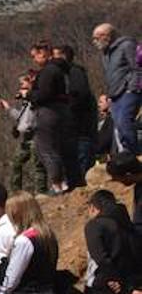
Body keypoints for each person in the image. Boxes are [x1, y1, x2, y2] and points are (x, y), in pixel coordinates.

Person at [25, 41, 71, 194]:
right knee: (55, 148)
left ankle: (57, 184)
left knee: (46, 149)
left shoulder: (49, 71)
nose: (34, 60)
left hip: (48, 113)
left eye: (35, 56)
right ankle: (61, 181)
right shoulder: (61, 70)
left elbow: (44, 94)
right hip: (60, 112)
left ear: (43, 53)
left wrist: (29, 94)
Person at [91, 23, 139, 155]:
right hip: (115, 93)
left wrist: (132, 88)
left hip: (128, 91)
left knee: (125, 121)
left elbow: (137, 67)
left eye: (96, 38)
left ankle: (132, 152)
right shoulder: (106, 53)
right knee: (118, 125)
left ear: (106, 36)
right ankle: (124, 152)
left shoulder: (127, 45)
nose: (94, 42)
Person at [54, 45, 96, 187]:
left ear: (63, 56)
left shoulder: (75, 72)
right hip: (73, 131)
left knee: (81, 166)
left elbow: (80, 95)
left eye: (55, 56)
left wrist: (66, 107)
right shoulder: (66, 75)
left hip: (81, 130)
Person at [0, 72, 48, 195]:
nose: (21, 86)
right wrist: (8, 108)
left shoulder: (36, 98)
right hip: (26, 138)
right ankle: (16, 192)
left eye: (23, 83)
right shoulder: (26, 101)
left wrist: (28, 96)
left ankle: (41, 193)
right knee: (16, 163)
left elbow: (33, 119)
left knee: (37, 165)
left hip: (36, 136)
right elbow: (21, 117)